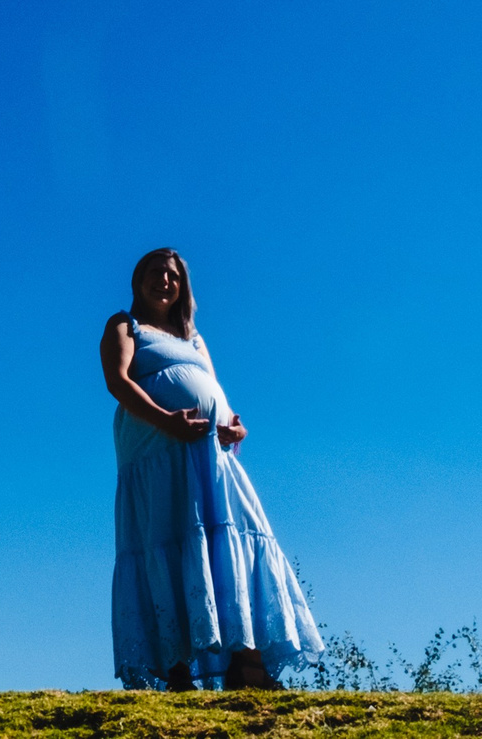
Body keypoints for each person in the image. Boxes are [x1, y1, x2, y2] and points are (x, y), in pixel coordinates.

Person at [102, 247, 321, 691]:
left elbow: (216, 391)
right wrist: (167, 421)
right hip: (155, 453)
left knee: (235, 536)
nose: (165, 280)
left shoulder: (193, 338)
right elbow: (117, 381)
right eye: (156, 273)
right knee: (166, 540)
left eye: (174, 275)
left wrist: (234, 423)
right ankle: (174, 668)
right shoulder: (126, 326)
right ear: (138, 281)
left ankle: (248, 662)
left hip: (207, 456)